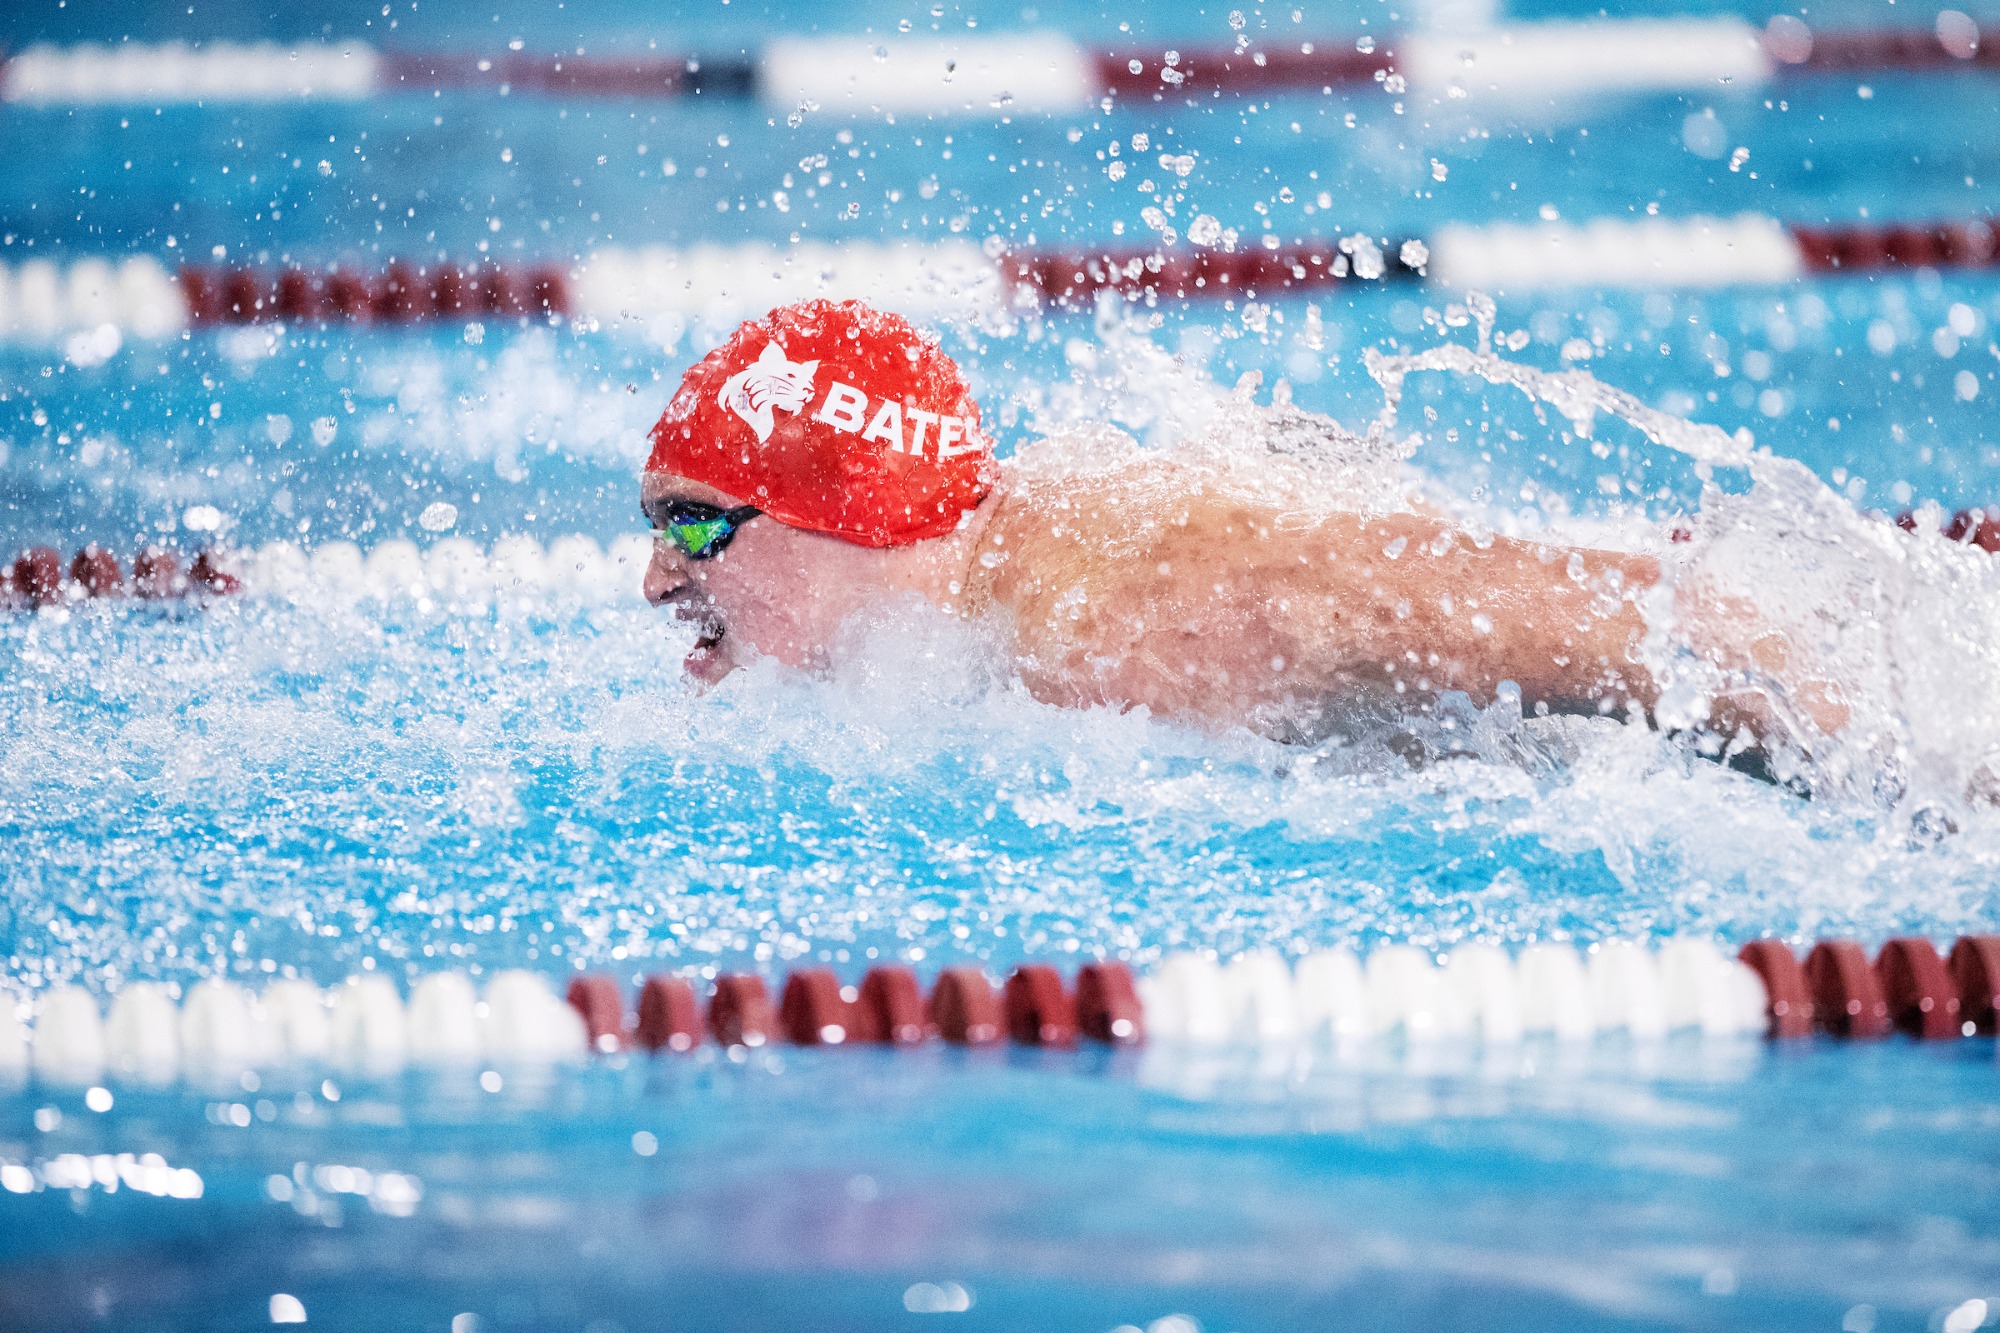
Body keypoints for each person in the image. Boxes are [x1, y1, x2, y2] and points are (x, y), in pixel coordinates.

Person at [641, 298, 1850, 762]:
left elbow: (1656, 633)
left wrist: (1931, 769)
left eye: (694, 529)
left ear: (845, 514)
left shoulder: (1127, 622)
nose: (655, 578)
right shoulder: (988, 604)